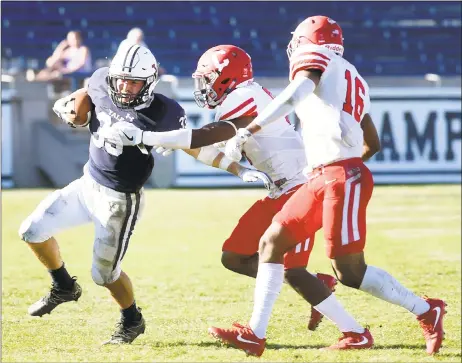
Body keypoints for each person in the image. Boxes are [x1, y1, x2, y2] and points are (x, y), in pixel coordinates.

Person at [205, 16, 447, 356]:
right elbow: (372, 142)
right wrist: (343, 156)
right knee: (272, 243)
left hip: (338, 177)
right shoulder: (351, 77)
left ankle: (426, 310)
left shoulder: (315, 61)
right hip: (323, 175)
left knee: (349, 270)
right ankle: (254, 335)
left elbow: (297, 92)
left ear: (306, 42)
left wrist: (251, 129)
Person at [18, 44, 265, 345]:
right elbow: (83, 99)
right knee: (31, 230)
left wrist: (238, 169)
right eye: (120, 79)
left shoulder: (163, 112)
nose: (124, 87)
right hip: (87, 184)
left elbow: (196, 148)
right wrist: (68, 105)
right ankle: (64, 286)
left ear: (149, 82)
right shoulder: (100, 81)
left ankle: (132, 319)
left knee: (104, 275)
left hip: (120, 200)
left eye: (133, 81)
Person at [103, 44, 341, 332]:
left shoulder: (242, 95)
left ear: (225, 77)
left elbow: (207, 136)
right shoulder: (241, 97)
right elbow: (216, 149)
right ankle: (317, 284)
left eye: (207, 78)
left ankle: (349, 329)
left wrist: (151, 136)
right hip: (279, 190)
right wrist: (172, 141)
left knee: (292, 269)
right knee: (234, 256)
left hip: (300, 187)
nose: (202, 85)